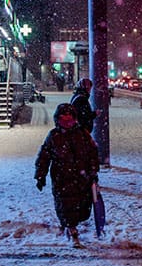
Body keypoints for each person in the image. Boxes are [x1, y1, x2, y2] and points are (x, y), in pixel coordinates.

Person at [34, 103, 100, 248]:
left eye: (70, 119)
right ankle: (72, 230)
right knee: (66, 207)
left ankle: (70, 225)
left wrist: (93, 171)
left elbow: (92, 153)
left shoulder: (82, 134)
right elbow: (44, 156)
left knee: (82, 208)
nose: (67, 123)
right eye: (64, 120)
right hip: (62, 179)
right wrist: (40, 175)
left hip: (82, 179)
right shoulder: (54, 136)